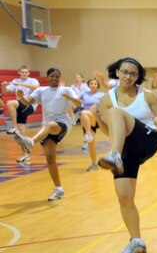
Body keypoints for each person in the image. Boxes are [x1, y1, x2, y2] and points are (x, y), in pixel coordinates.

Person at [96, 57, 157, 253]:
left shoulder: (148, 96)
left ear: (138, 76)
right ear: (116, 72)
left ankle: (115, 155)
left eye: (133, 73)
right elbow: (110, 132)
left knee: (117, 112)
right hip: (125, 147)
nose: (128, 76)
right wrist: (96, 118)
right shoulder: (106, 99)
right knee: (124, 197)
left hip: (148, 140)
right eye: (125, 72)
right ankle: (136, 241)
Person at [11, 68, 82, 200]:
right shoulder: (41, 90)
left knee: (49, 126)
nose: (54, 78)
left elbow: (79, 103)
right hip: (46, 125)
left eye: (57, 76)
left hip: (62, 122)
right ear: (48, 77)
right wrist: (21, 97)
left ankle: (30, 142)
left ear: (60, 77)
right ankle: (59, 189)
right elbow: (28, 102)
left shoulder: (65, 90)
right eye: (52, 76)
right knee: (50, 160)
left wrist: (70, 98)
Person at [2, 66, 40, 163]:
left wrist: (18, 84)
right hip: (20, 108)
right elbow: (6, 91)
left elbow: (36, 87)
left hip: (29, 105)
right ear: (19, 72)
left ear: (29, 73)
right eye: (22, 72)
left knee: (10, 103)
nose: (24, 73)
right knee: (20, 134)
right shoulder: (15, 80)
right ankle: (26, 155)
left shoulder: (32, 80)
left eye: (26, 72)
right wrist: (3, 85)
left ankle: (13, 126)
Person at [79, 77, 106, 171]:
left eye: (95, 84)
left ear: (98, 86)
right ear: (88, 85)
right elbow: (75, 101)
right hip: (86, 121)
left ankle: (87, 133)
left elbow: (106, 105)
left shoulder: (101, 95)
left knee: (84, 112)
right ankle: (94, 164)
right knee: (91, 144)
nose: (93, 85)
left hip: (96, 117)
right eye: (91, 83)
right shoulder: (84, 94)